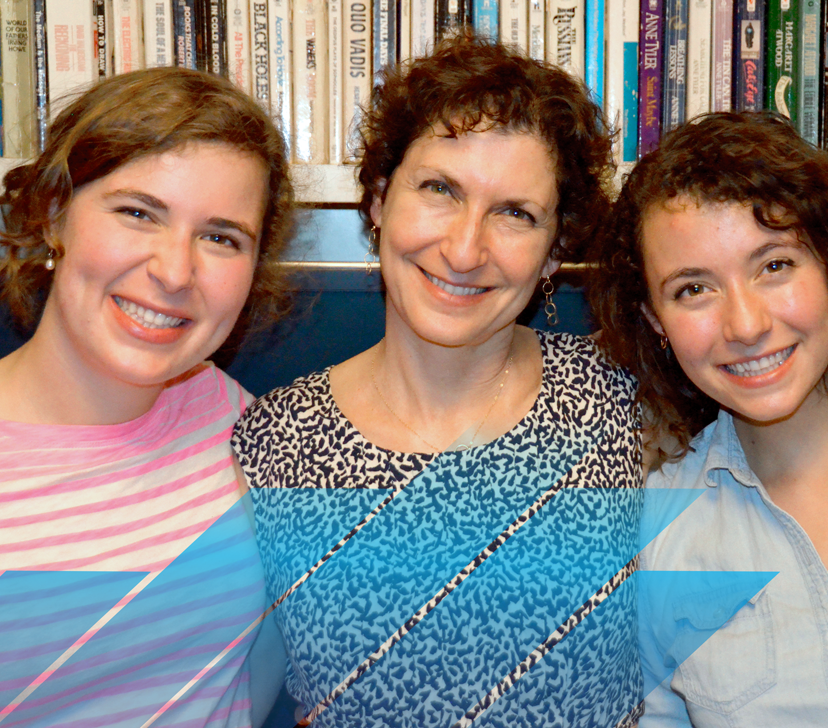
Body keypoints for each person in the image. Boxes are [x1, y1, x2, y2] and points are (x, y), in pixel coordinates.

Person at [233, 34, 651, 727]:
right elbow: (232, 694)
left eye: (516, 214)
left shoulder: (622, 402)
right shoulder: (273, 441)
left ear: (554, 253)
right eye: (439, 189)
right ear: (376, 199)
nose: (463, 249)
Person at [0, 67, 292, 728]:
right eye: (138, 212)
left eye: (220, 237)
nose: (175, 272)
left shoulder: (230, 415)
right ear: (54, 212)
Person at [591, 112, 828, 727]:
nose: (746, 325)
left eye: (774, 266)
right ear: (656, 322)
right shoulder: (658, 539)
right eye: (693, 289)